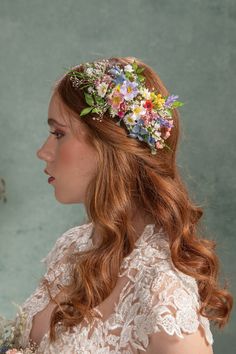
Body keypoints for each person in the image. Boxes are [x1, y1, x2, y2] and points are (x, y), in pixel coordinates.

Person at [13, 57, 233, 353]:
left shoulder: (163, 292)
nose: (43, 152)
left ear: (110, 146)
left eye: (58, 133)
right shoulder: (72, 247)